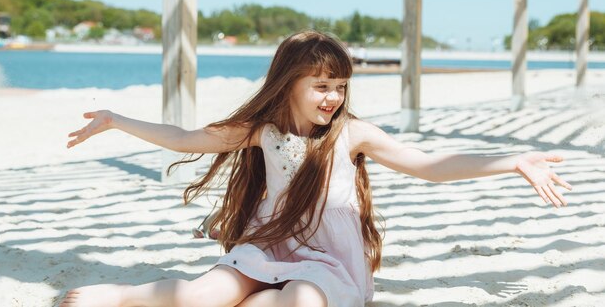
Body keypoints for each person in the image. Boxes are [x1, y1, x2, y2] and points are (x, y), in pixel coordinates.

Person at [60, 30, 571, 307]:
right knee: (204, 295)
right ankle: (120, 296)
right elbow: (187, 138)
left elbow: (430, 164)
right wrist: (117, 121)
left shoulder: (353, 134)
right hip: (268, 245)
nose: (333, 97)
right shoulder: (261, 129)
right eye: (321, 86)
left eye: (340, 86)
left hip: (328, 262)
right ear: (288, 84)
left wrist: (511, 162)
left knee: (301, 300)